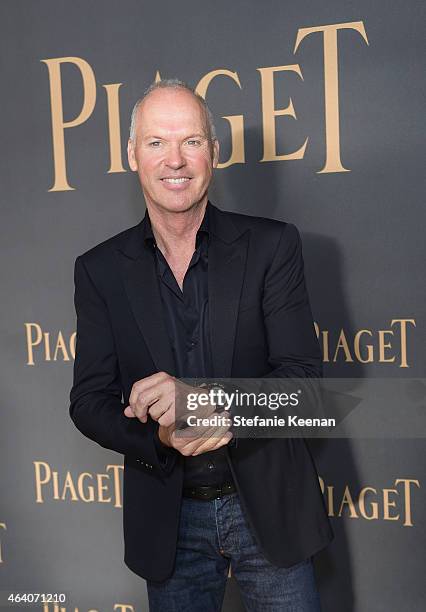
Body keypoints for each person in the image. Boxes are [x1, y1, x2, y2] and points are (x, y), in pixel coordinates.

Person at [69, 78, 333, 611]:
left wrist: (209, 405)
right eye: (156, 142)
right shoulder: (99, 270)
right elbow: (89, 403)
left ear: (212, 153)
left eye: (190, 141)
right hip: (169, 522)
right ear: (131, 155)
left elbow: (306, 387)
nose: (175, 160)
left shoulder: (272, 246)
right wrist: (164, 437)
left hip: (270, 513)